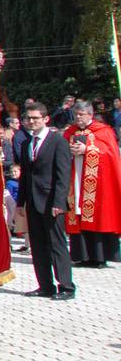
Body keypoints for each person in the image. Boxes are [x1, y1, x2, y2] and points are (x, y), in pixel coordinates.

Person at [20, 102, 75, 300]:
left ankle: (66, 287)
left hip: (52, 202)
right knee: (38, 245)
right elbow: (26, 175)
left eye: (35, 118)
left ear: (45, 119)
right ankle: (45, 285)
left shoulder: (57, 142)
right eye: (28, 118)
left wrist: (59, 203)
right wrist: (21, 202)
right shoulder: (27, 143)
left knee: (56, 244)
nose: (31, 121)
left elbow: (63, 175)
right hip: (34, 202)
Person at [64, 100, 121, 267]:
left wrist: (87, 150)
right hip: (75, 180)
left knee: (97, 216)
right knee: (78, 215)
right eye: (76, 115)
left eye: (81, 115)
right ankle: (82, 256)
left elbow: (110, 154)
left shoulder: (103, 131)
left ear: (90, 114)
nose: (78, 118)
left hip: (98, 183)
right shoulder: (70, 131)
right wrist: (70, 150)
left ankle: (99, 257)